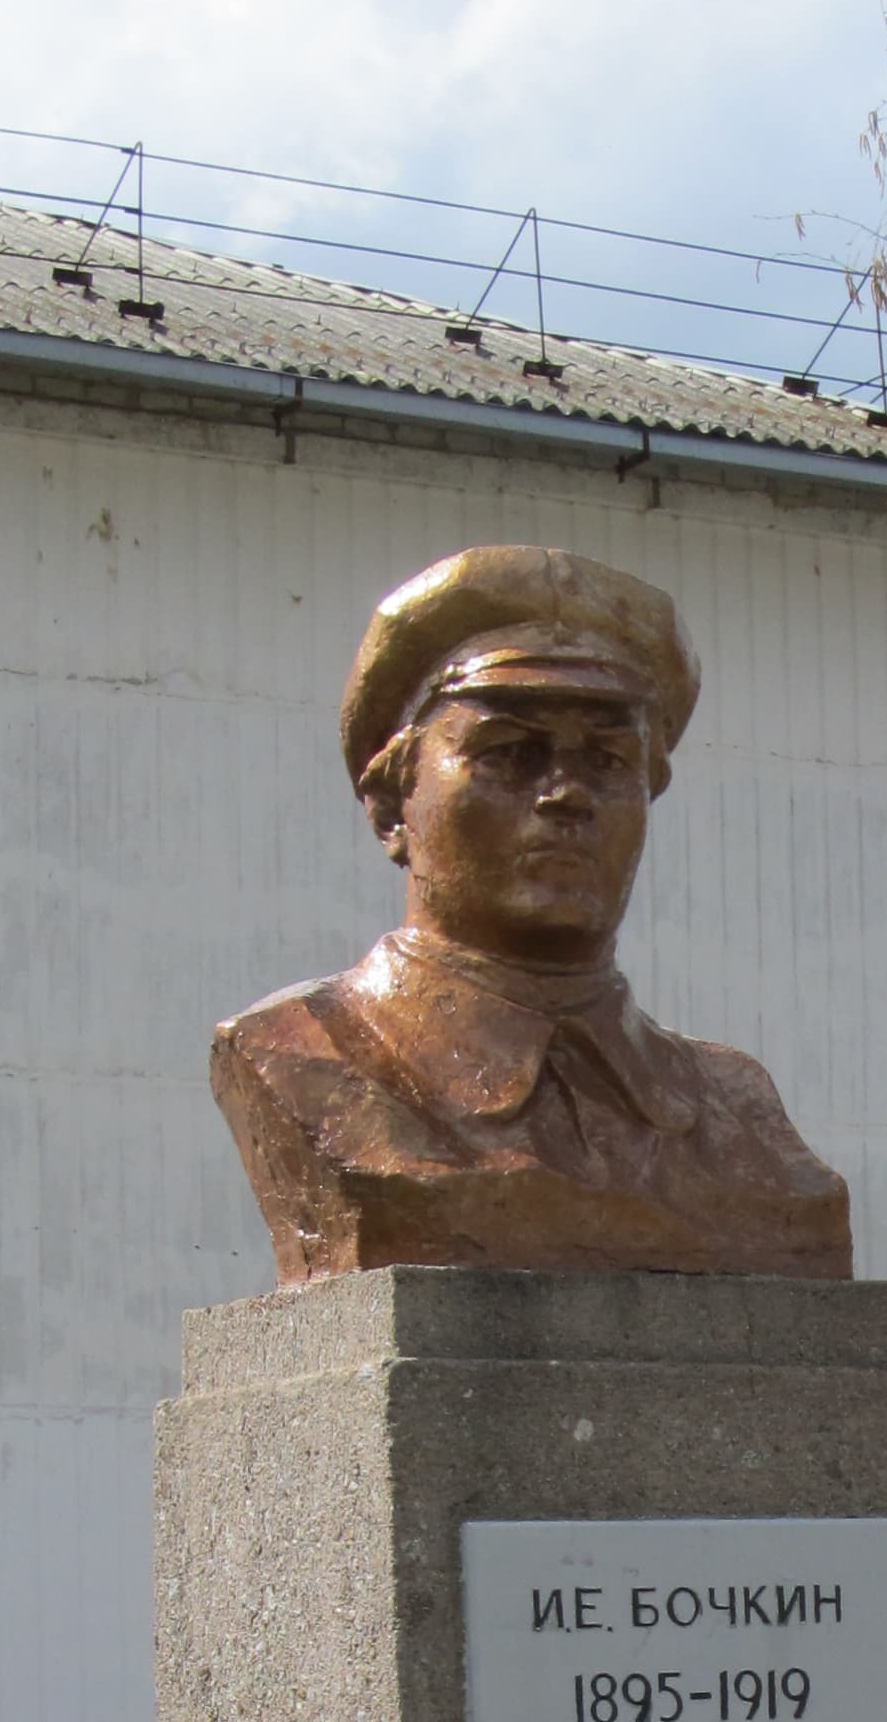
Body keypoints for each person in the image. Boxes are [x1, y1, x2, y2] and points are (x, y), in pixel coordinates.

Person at [212, 543, 853, 1283]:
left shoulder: (741, 1111)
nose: (565, 794)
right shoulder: (302, 1055)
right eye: (508, 752)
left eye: (608, 762)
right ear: (392, 806)